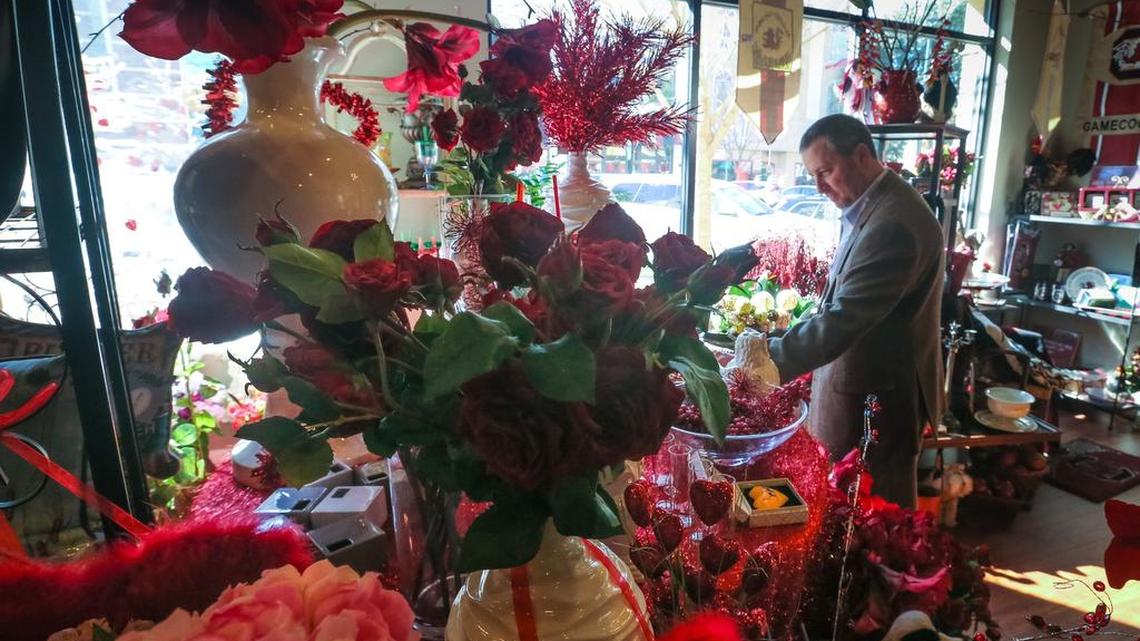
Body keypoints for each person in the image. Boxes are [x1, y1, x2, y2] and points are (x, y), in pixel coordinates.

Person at [760, 114, 945, 509]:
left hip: (877, 405)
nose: (818, 186)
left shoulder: (893, 223)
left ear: (861, 155)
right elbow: (835, 303)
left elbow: (844, 318)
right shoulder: (872, 205)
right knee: (843, 514)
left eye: (825, 171)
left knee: (875, 525)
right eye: (812, 174)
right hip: (858, 389)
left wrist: (762, 362)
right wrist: (768, 343)